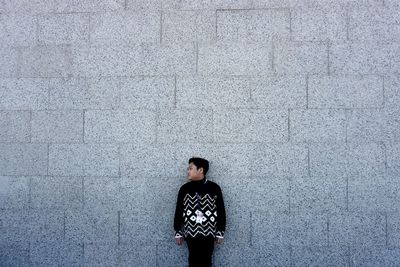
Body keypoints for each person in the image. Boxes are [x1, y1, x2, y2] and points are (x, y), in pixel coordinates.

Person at [174, 157, 226, 267]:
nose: (188, 171)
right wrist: (178, 231)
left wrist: (220, 231)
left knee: (206, 261)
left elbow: (221, 210)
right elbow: (179, 210)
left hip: (209, 233)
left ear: (200, 170)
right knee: (193, 260)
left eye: (190, 168)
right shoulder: (185, 188)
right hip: (190, 232)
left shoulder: (214, 188)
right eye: (188, 168)